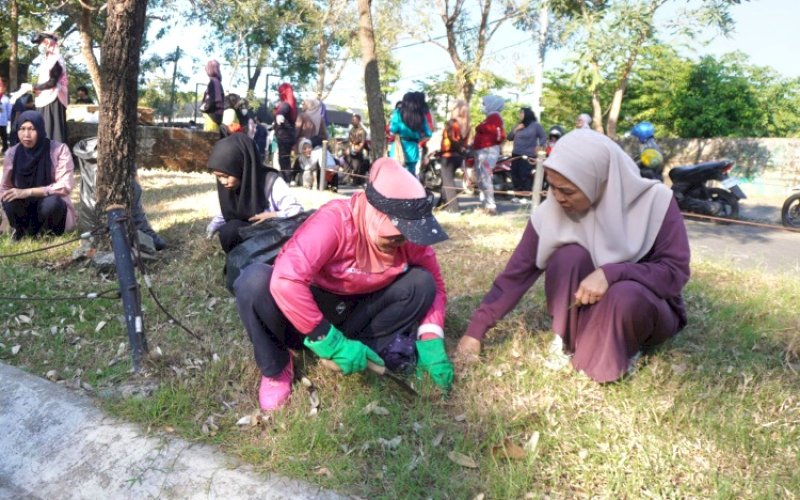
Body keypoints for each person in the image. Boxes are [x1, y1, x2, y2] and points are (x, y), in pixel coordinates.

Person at [456, 130, 690, 383]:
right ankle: (567, 340)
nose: (558, 197)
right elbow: (516, 275)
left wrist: (612, 273)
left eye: (567, 191)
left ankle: (616, 353)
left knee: (624, 295)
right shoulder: (553, 210)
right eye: (552, 187)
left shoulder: (656, 201)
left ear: (599, 180)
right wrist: (475, 332)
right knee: (567, 257)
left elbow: (674, 273)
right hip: (589, 309)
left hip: (642, 309)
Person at [233, 158, 454, 411]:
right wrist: (327, 340)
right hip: (310, 312)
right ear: (375, 212)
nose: (403, 243)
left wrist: (431, 337)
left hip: (358, 311)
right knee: (253, 282)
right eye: (396, 236)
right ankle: (276, 367)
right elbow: (287, 279)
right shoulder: (335, 221)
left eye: (407, 236)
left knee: (422, 283)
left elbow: (434, 280)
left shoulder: (407, 238)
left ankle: (362, 349)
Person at [205, 134, 303, 253]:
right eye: (218, 177)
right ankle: (239, 258)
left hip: (271, 234)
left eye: (226, 176)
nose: (223, 181)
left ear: (242, 167)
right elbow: (229, 208)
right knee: (229, 231)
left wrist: (273, 215)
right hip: (247, 231)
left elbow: (297, 210)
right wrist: (212, 227)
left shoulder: (270, 182)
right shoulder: (233, 183)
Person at [1, 110, 75, 240]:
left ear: (40, 129)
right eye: (22, 129)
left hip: (48, 208)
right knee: (9, 200)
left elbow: (65, 186)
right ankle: (22, 232)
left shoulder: (58, 150)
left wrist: (29, 192)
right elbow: (5, 187)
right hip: (24, 209)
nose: (26, 135)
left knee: (53, 202)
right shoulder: (12, 153)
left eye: (32, 129)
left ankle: (47, 234)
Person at [471, 95, 506, 216]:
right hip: (482, 151)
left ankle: (491, 206)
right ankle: (485, 204)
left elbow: (497, 134)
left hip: (488, 152)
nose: (483, 106)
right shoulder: (490, 117)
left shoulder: (495, 117)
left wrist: (480, 127)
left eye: (485, 104)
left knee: (485, 178)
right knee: (481, 179)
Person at [32, 32, 68, 144]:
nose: (40, 46)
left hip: (53, 99)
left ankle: (56, 158)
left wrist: (35, 87)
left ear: (48, 43)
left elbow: (52, 82)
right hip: (44, 99)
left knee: (53, 132)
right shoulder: (46, 61)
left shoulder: (56, 60)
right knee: (43, 131)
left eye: (41, 42)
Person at [507, 107, 546, 204]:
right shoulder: (519, 125)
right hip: (516, 154)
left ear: (527, 114)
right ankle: (518, 195)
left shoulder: (535, 126)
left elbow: (543, 136)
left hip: (528, 155)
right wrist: (516, 129)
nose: (520, 115)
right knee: (515, 175)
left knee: (525, 175)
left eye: (521, 113)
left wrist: (539, 145)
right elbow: (509, 137)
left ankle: (526, 197)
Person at [389, 92, 431, 176]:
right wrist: (418, 141)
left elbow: (393, 130)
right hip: (413, 150)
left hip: (398, 149)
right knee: (410, 177)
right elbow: (428, 134)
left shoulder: (398, 112)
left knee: (395, 176)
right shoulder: (421, 116)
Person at [439, 117, 466, 213]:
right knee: (445, 181)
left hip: (448, 158)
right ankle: (442, 204)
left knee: (448, 183)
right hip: (458, 158)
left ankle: (454, 209)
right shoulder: (459, 133)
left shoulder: (448, 132)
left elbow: (448, 145)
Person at [273, 83, 298, 183]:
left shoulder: (285, 105)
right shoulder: (292, 105)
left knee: (283, 158)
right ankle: (286, 178)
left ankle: (286, 179)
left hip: (284, 136)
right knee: (285, 158)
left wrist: (278, 115)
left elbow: (281, 115)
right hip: (289, 135)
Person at [345, 114, 369, 186]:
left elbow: (362, 142)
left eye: (354, 120)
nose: (352, 121)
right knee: (348, 165)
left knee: (356, 167)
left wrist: (357, 149)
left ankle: (356, 181)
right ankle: (346, 180)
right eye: (352, 120)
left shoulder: (362, 131)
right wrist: (349, 148)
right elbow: (349, 140)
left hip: (358, 151)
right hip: (351, 148)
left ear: (358, 121)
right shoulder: (351, 130)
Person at [201, 60, 224, 133]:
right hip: (214, 118)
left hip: (212, 118)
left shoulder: (214, 82)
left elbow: (215, 99)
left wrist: (204, 108)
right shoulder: (216, 82)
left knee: (209, 142)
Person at [0, 78, 12, 152]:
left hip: (3, 122)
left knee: (4, 137)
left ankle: (5, 149)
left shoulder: (6, 99)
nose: (2, 88)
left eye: (3, 87)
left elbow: (9, 110)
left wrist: (9, 119)